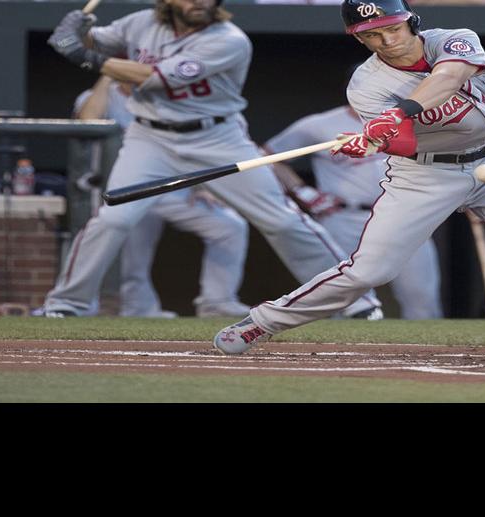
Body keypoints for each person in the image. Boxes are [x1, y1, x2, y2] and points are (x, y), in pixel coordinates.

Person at [214, 0, 485, 360]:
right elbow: (407, 142)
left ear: (410, 20)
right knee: (368, 272)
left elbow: (449, 77)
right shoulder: (366, 84)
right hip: (425, 174)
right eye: (371, 35)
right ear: (359, 39)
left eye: (392, 28)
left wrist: (400, 112)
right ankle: (262, 322)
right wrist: (376, 142)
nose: (386, 40)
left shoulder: (454, 38)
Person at [43, 0, 377, 319]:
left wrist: (81, 54)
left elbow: (152, 76)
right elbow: (96, 41)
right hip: (150, 138)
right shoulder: (139, 23)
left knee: (281, 220)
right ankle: (66, 302)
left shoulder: (229, 40)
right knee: (112, 220)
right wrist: (79, 30)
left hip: (217, 138)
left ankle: (354, 298)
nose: (201, 2)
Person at [74, 75, 251, 318]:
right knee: (133, 255)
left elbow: (191, 143)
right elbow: (88, 120)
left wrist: (202, 187)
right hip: (126, 189)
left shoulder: (165, 99)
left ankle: (217, 301)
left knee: (229, 226)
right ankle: (139, 308)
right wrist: (107, 74)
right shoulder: (99, 95)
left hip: (170, 188)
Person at [266, 103, 443, 319]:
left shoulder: (412, 123)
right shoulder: (318, 125)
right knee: (340, 295)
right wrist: (302, 191)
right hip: (345, 215)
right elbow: (268, 156)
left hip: (404, 215)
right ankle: (339, 350)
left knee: (421, 295)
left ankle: (423, 352)